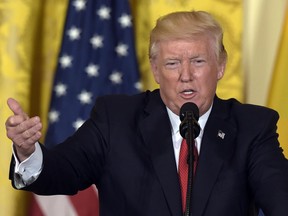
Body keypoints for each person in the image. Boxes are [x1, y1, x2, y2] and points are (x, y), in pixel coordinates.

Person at [5, 10, 288, 216]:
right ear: (155, 70)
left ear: (221, 66)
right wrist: (27, 151)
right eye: (173, 63)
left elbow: (280, 198)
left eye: (198, 61)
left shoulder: (252, 127)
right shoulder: (115, 120)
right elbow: (62, 171)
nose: (185, 76)